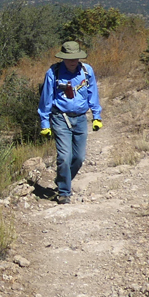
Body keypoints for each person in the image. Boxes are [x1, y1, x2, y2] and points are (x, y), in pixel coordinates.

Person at [38, 40, 103, 204]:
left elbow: (92, 93)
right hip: (61, 118)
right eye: (69, 58)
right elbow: (46, 99)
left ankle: (62, 179)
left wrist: (97, 116)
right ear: (63, 58)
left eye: (75, 58)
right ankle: (64, 192)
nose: (72, 61)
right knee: (64, 157)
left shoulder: (87, 71)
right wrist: (45, 124)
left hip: (81, 118)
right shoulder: (54, 72)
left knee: (79, 158)